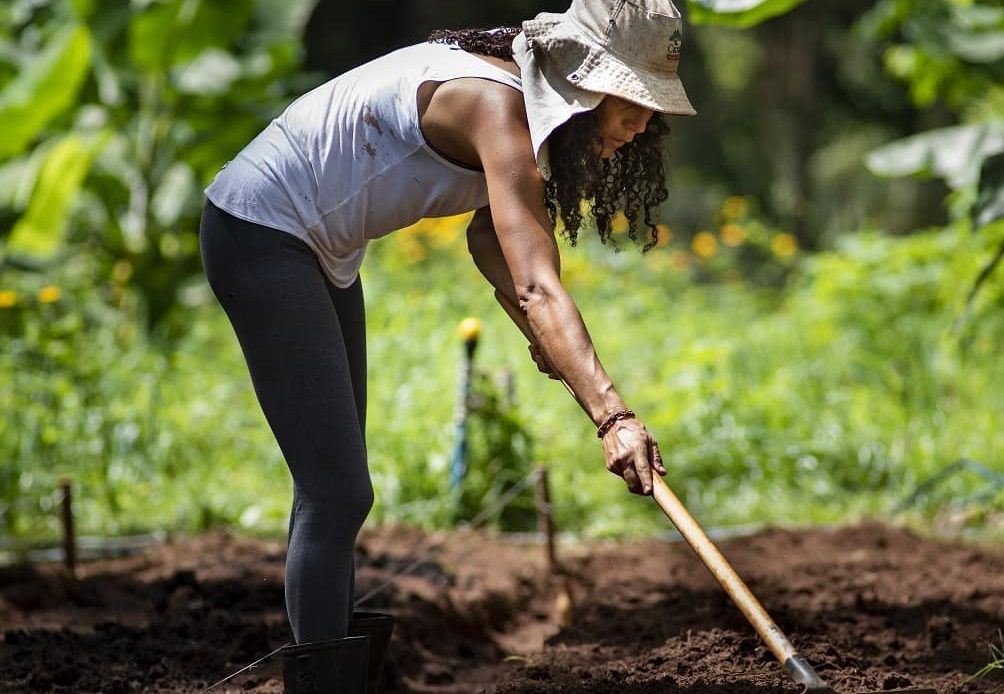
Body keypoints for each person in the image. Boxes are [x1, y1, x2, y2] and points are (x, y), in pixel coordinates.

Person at [198, 0, 696, 690]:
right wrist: (613, 417)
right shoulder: (497, 108)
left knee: (335, 494)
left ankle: (345, 670)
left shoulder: (528, 115)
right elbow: (535, 286)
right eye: (632, 101)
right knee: (337, 492)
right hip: (260, 232)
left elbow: (492, 240)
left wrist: (545, 343)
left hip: (318, 249)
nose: (643, 123)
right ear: (586, 82)